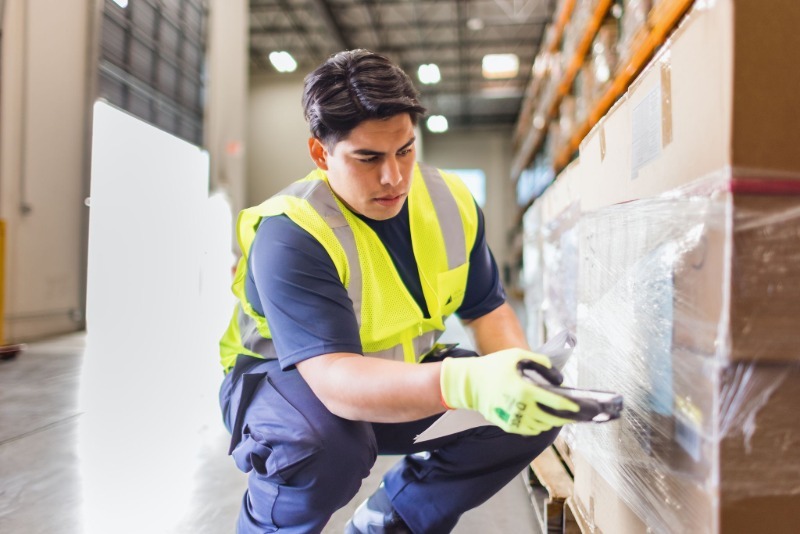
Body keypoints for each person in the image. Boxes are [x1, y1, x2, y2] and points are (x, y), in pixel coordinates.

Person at [218, 49, 580, 534]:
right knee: (322, 445)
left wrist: (515, 376)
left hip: (395, 379)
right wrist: (466, 383)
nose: (393, 177)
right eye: (368, 158)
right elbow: (335, 381)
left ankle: (391, 521)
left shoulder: (450, 201)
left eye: (405, 150)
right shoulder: (293, 233)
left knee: (530, 408)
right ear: (321, 154)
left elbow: (488, 310)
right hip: (289, 391)